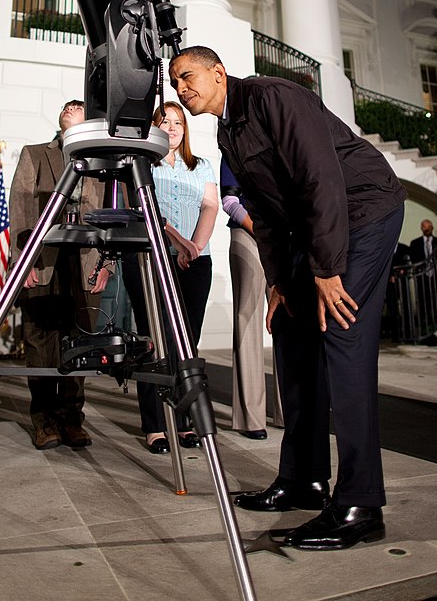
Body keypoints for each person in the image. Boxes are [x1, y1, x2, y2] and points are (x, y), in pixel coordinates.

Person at [169, 46, 406, 550]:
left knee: (342, 336)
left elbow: (320, 178)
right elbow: (266, 212)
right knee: (294, 338)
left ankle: (361, 503)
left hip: (363, 211)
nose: (180, 88)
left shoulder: (275, 97)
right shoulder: (226, 131)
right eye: (174, 83)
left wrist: (325, 269)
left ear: (217, 72)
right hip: (313, 230)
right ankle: (305, 479)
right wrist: (280, 282)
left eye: (187, 76)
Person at [9, 100, 110, 450]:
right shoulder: (35, 154)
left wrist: (106, 264)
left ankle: (72, 419)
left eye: (80, 105)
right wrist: (23, 261)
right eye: (68, 105)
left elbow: (111, 211)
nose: (72, 105)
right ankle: (44, 420)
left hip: (84, 264)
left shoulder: (102, 162)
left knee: (79, 343)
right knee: (40, 342)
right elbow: (20, 207)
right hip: (43, 260)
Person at [121, 101, 218, 454]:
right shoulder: (141, 163)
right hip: (151, 259)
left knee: (186, 343)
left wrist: (195, 246)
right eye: (166, 121)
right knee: (155, 339)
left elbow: (210, 205)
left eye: (179, 122)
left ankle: (182, 421)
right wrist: (178, 242)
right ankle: (155, 425)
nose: (173, 128)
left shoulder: (202, 165)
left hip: (195, 261)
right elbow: (145, 209)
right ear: (155, 127)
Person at [220, 155, 282, 439]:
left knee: (286, 322)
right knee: (248, 321)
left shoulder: (281, 145)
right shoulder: (234, 148)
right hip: (249, 234)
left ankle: (288, 411)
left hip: (284, 239)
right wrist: (261, 231)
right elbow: (230, 201)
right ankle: (250, 417)